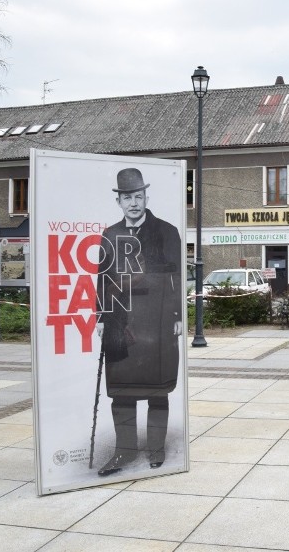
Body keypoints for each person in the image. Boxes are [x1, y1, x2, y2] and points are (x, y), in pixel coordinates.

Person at [95, 168, 183, 476]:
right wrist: (102, 316)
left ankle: (156, 450)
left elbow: (176, 278)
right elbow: (102, 278)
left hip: (158, 321)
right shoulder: (110, 235)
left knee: (158, 390)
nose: (134, 203)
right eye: (127, 197)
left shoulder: (167, 231)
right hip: (121, 323)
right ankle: (125, 453)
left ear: (146, 197)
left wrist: (177, 316)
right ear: (119, 201)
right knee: (121, 391)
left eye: (138, 196)